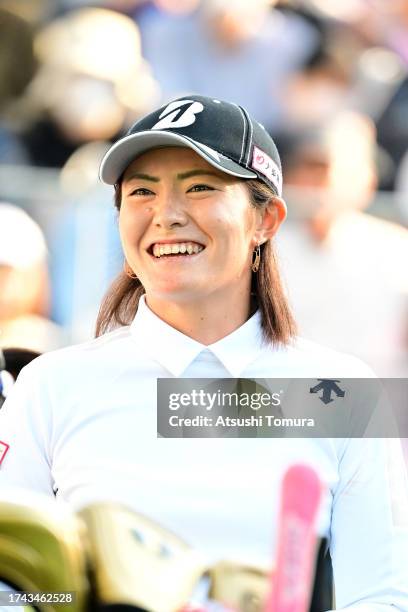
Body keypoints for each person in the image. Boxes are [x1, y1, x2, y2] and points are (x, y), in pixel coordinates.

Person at [0, 95, 407, 610]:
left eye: (200, 188)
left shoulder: (342, 391)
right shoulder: (51, 385)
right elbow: (11, 583)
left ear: (268, 219)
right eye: (141, 192)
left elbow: (380, 595)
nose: (166, 215)